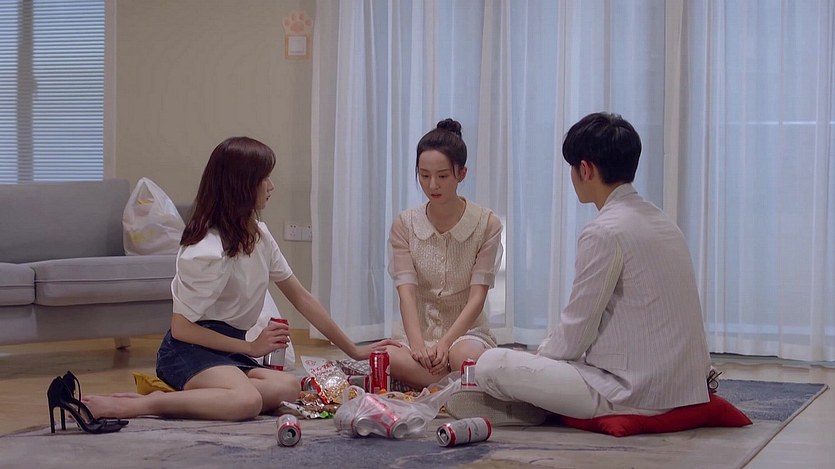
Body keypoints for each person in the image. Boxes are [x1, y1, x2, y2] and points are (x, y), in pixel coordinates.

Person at [84, 136, 398, 421]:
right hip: (189, 350)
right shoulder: (204, 251)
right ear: (242, 186)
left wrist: (353, 350)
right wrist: (249, 347)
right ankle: (149, 404)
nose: (271, 186)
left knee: (287, 387)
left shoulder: (259, 234)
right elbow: (182, 329)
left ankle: (218, 394)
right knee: (246, 402)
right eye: (264, 179)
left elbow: (301, 297)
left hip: (229, 351)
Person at [447, 112, 712, 425]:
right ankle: (533, 402)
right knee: (548, 361)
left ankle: (525, 403)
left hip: (632, 393)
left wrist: (537, 360)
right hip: (687, 388)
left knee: (492, 363)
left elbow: (577, 333)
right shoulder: (663, 222)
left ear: (585, 170)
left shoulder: (604, 231)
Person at [384, 118, 504, 389]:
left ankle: (436, 380)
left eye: (442, 176)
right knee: (386, 357)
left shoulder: (486, 224)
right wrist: (417, 346)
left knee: (465, 357)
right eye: (424, 175)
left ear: (462, 173)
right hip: (417, 333)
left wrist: (445, 344)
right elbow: (406, 293)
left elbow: (477, 297)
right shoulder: (405, 224)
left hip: (466, 334)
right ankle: (456, 384)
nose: (432, 185)